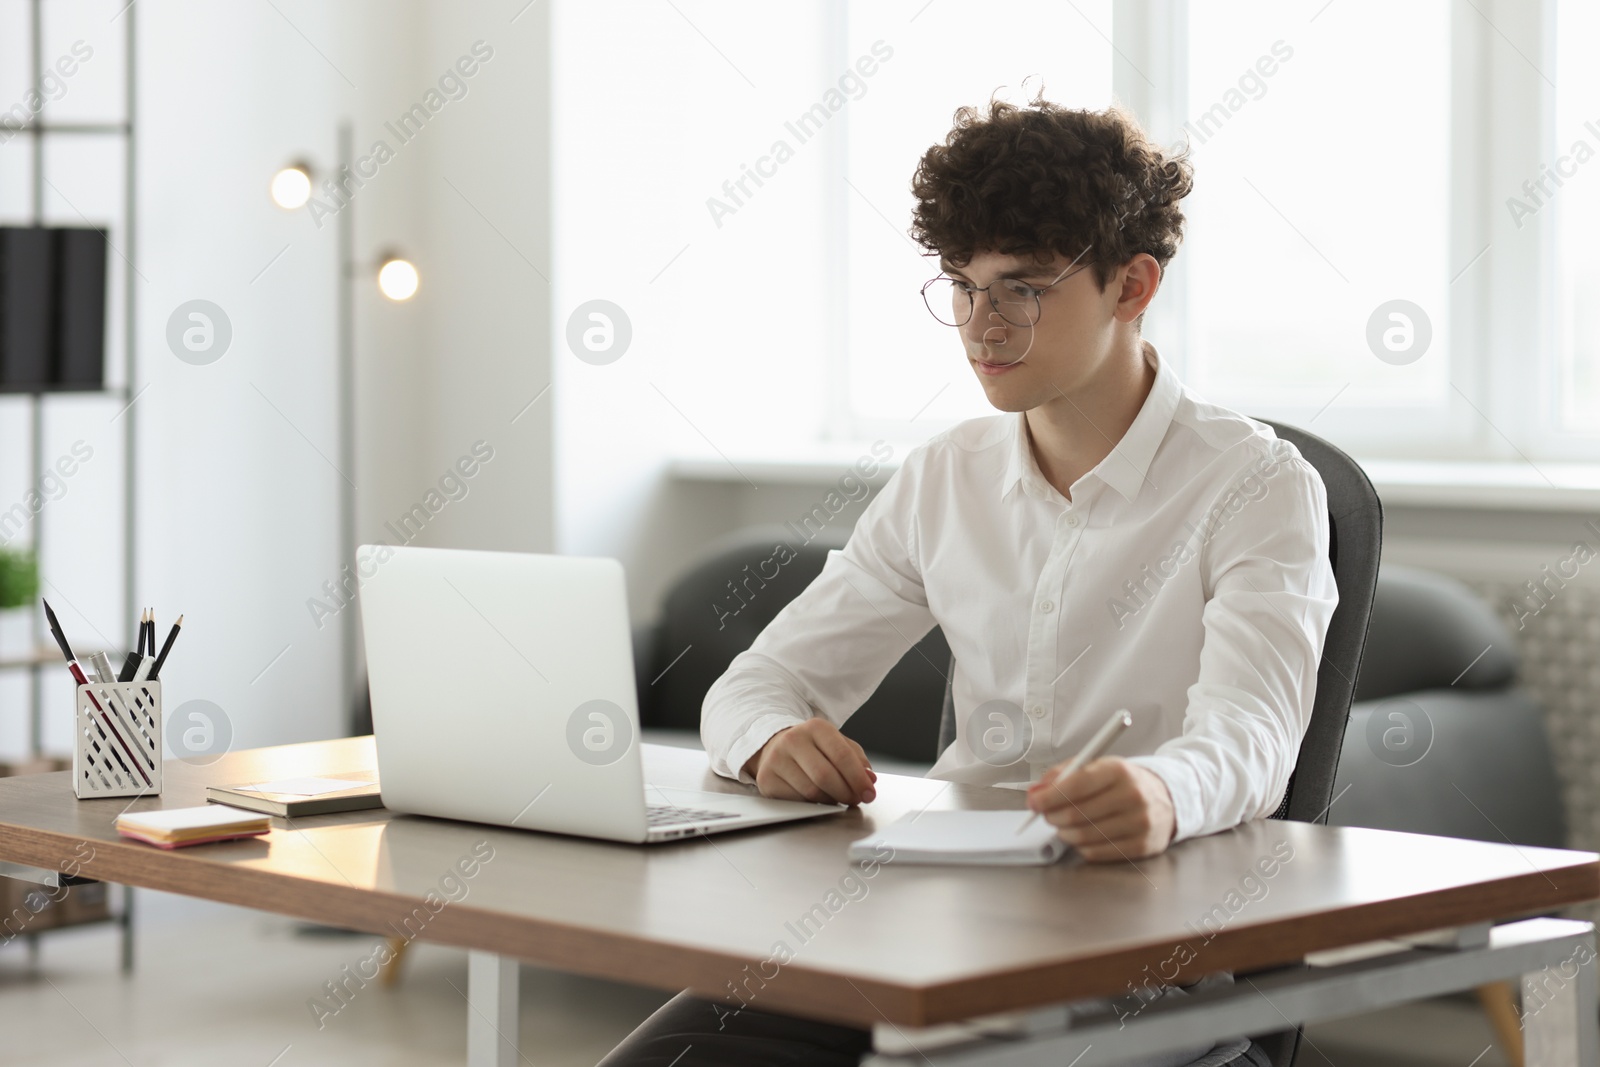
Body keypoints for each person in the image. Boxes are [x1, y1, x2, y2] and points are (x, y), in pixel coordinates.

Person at [599, 91, 1338, 1067]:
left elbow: (1251, 736)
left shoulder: (1254, 483)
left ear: (1133, 285)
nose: (980, 325)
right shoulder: (944, 477)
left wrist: (1163, 788)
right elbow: (754, 684)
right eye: (961, 284)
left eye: (1023, 287)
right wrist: (773, 737)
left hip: (1144, 955)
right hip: (927, 929)